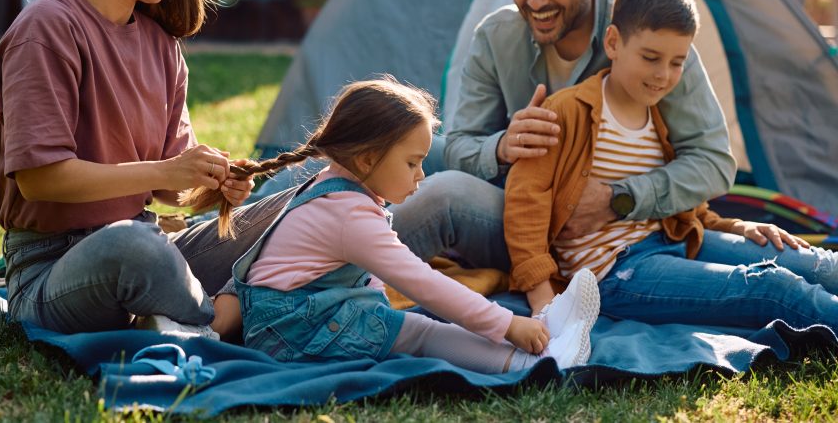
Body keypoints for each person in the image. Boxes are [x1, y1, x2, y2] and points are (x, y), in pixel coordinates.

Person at [0, 0, 290, 337]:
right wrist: (165, 173)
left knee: (302, 205)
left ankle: (179, 315)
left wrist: (213, 186)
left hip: (151, 243)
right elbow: (39, 179)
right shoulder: (47, 28)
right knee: (134, 246)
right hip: (54, 269)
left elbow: (172, 189)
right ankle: (217, 322)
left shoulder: (161, 46)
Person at [389, 0, 737, 275]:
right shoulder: (497, 35)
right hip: (521, 200)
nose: (536, 1)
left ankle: (340, 269)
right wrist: (503, 146)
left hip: (579, 229)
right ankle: (332, 222)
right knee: (403, 136)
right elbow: (462, 143)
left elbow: (714, 163)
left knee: (443, 195)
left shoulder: (643, 32)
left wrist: (617, 199)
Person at [195, 77, 602, 371]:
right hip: (297, 331)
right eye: (412, 163)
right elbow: (423, 282)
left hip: (301, 314)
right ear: (368, 159)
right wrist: (506, 324)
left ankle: (545, 328)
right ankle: (534, 361)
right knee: (420, 331)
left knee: (414, 327)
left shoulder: (339, 189)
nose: (421, 175)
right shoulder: (349, 216)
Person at [505, 0, 838, 328]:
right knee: (773, 288)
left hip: (679, 238)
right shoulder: (566, 111)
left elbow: (680, 207)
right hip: (620, 272)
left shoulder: (660, 116)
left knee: (805, 260)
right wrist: (540, 293)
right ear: (614, 42)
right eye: (650, 58)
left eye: (677, 63)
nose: (663, 75)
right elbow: (524, 202)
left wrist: (736, 226)